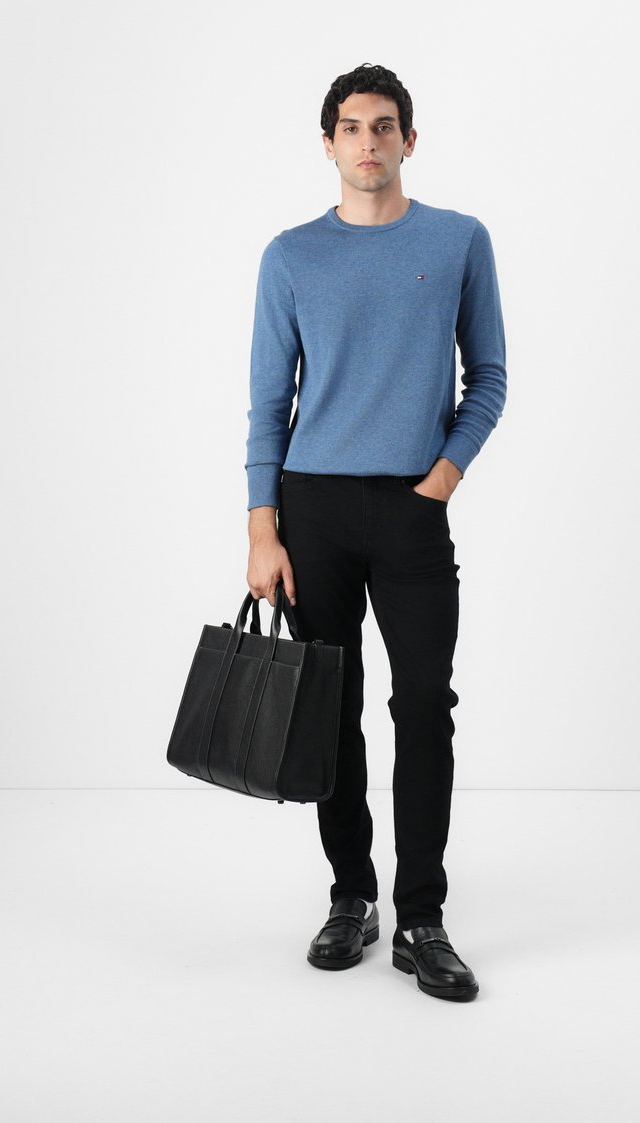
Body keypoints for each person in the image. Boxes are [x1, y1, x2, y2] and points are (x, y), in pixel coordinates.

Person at [244, 63, 506, 1001]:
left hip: (412, 508)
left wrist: (441, 478)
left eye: (384, 125)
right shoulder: (291, 256)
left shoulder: (458, 239)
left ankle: (422, 916)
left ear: (409, 140)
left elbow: (490, 375)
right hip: (311, 506)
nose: (368, 141)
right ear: (328, 145)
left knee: (424, 704)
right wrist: (262, 526)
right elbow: (269, 403)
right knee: (332, 706)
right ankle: (351, 895)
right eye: (351, 127)